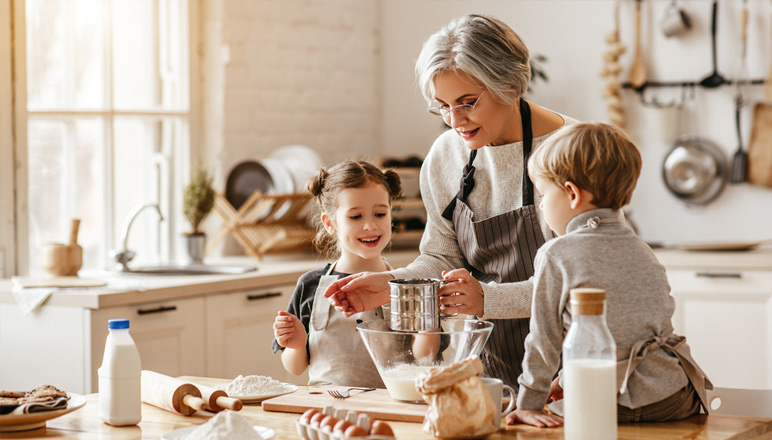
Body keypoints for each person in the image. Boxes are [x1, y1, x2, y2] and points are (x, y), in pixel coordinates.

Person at [324, 14, 578, 389]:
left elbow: (582, 279)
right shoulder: (446, 156)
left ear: (508, 83)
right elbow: (442, 258)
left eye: (467, 102)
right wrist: (393, 284)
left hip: (571, 369)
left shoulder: (573, 149)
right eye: (441, 105)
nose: (455, 120)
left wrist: (487, 300)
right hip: (487, 370)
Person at [506, 122, 711, 427]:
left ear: (572, 194)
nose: (542, 206)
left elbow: (544, 340)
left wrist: (529, 403)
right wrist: (567, 377)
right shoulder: (641, 248)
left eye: (543, 195)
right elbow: (635, 328)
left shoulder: (556, 253)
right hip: (674, 396)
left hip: (607, 402)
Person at [272, 160, 402, 388]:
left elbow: (424, 357)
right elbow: (296, 368)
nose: (370, 225)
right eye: (356, 217)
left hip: (388, 409)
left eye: (380, 214)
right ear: (330, 223)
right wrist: (297, 344)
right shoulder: (310, 284)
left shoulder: (405, 284)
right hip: (326, 410)